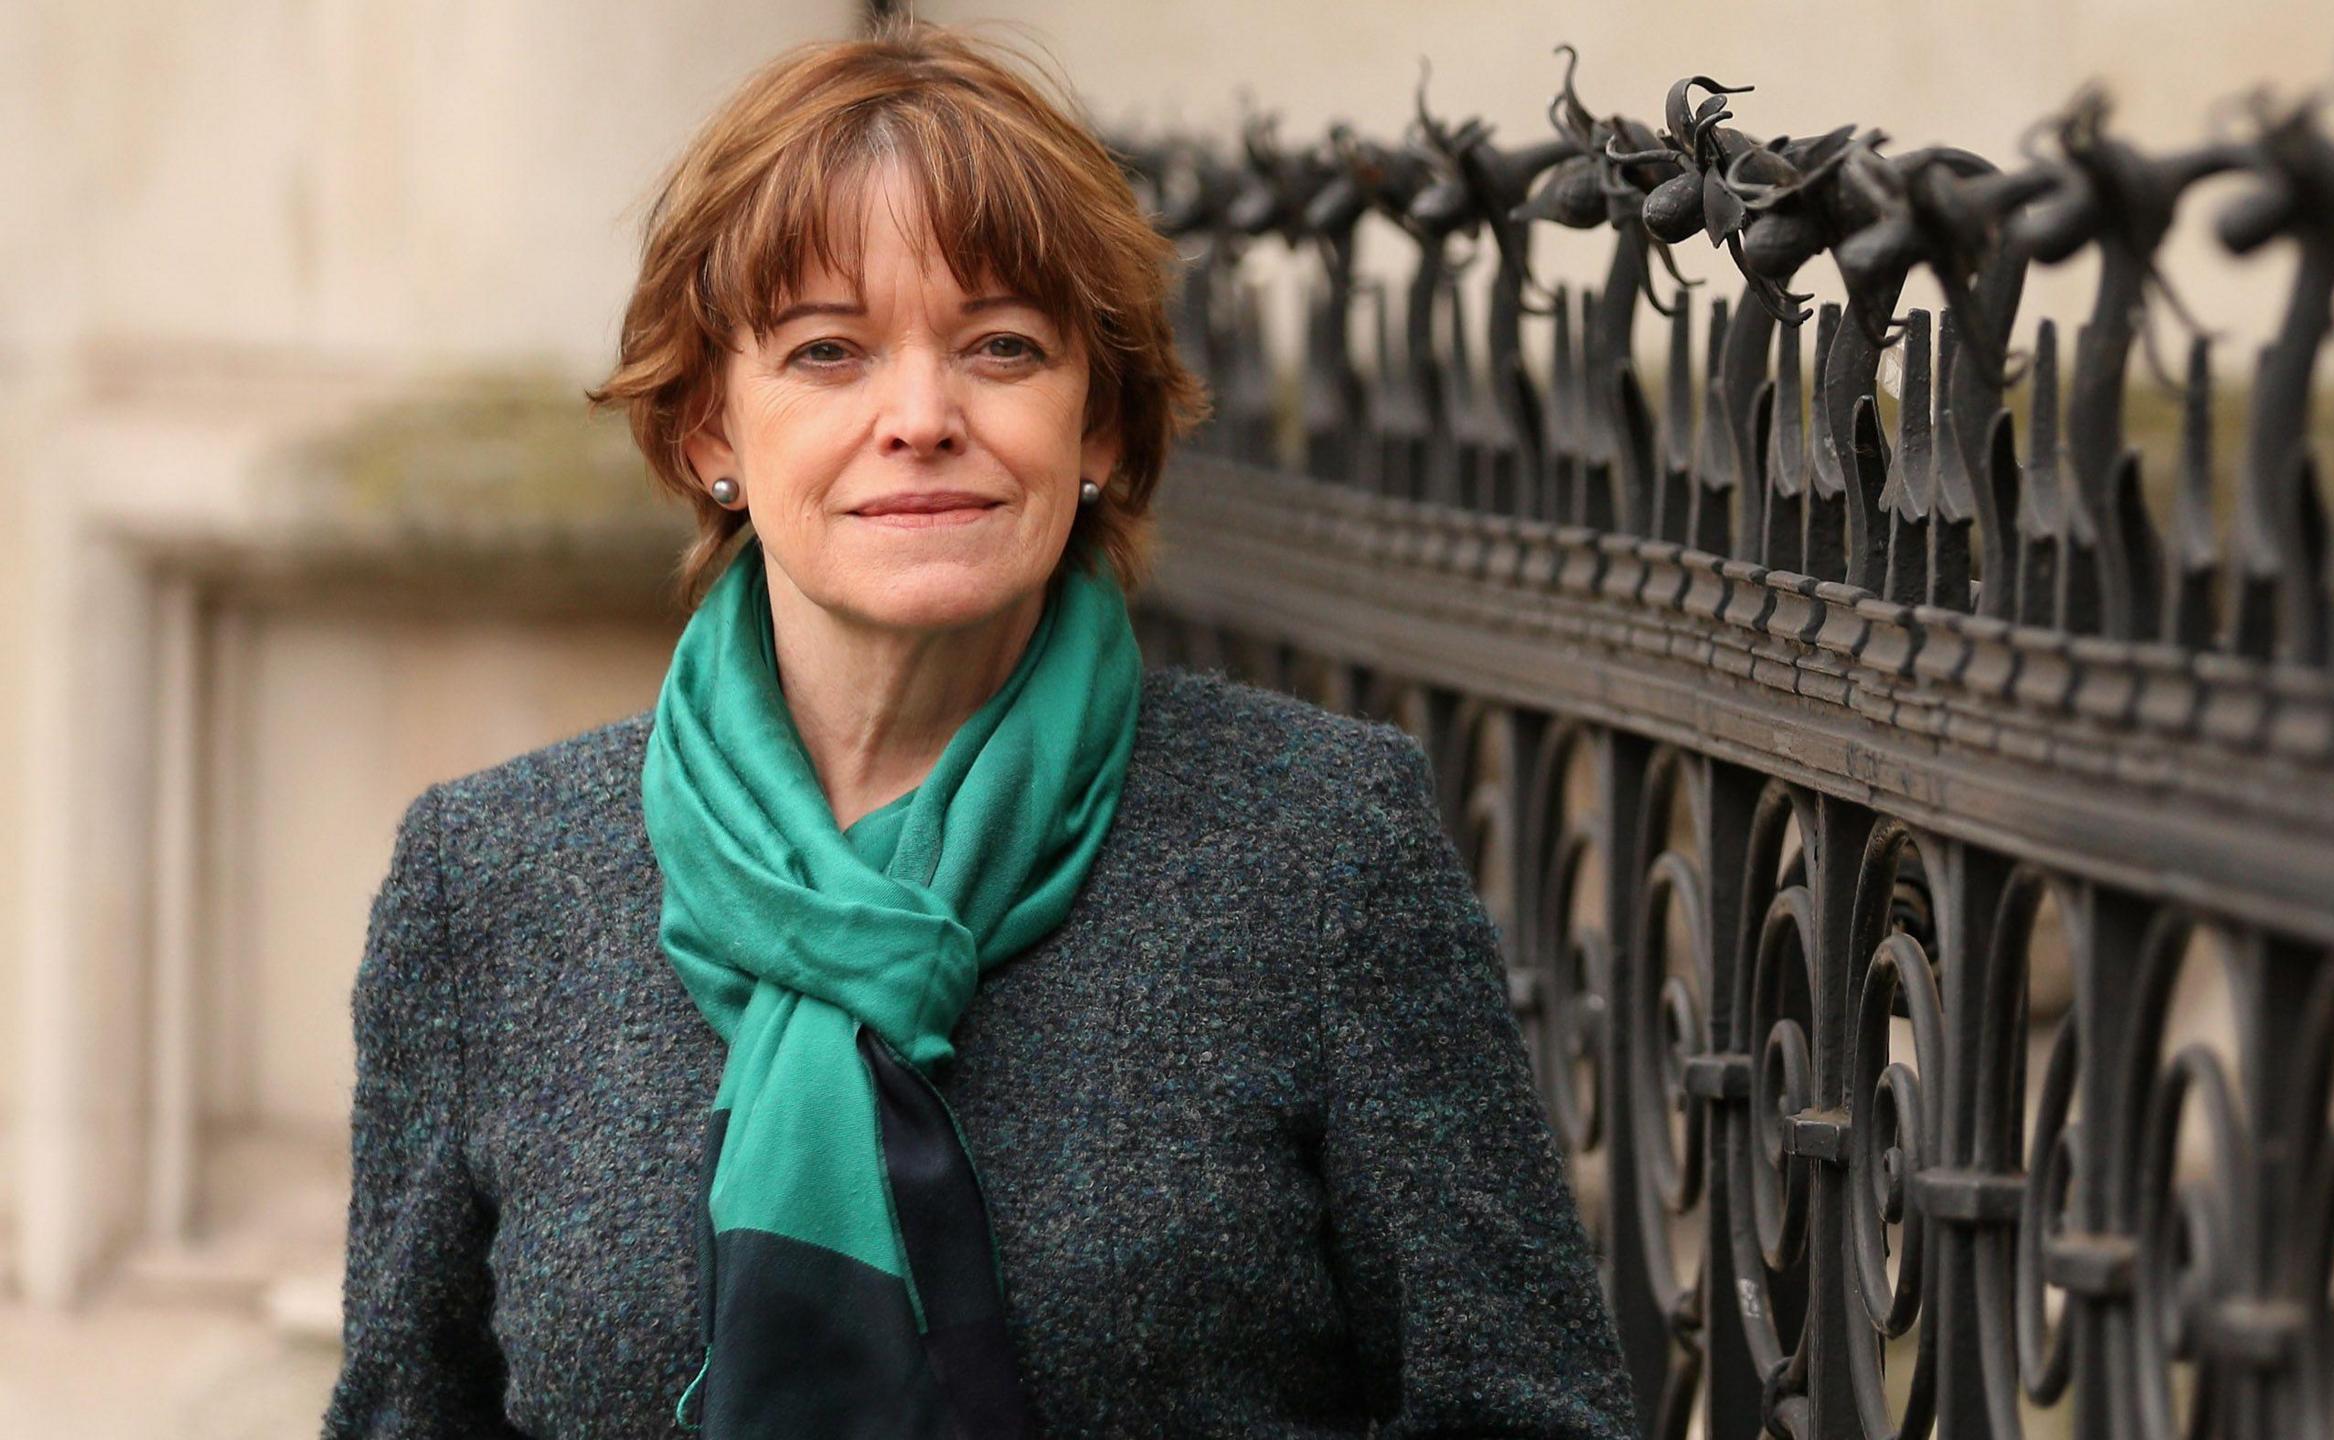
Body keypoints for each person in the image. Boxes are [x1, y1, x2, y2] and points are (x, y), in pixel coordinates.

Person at [319, 17, 1637, 1438]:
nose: (922, 415)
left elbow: (1528, 1411)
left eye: (1002, 346)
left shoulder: (1320, 849)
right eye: (829, 351)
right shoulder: (489, 881)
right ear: (709, 433)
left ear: (1103, 426)